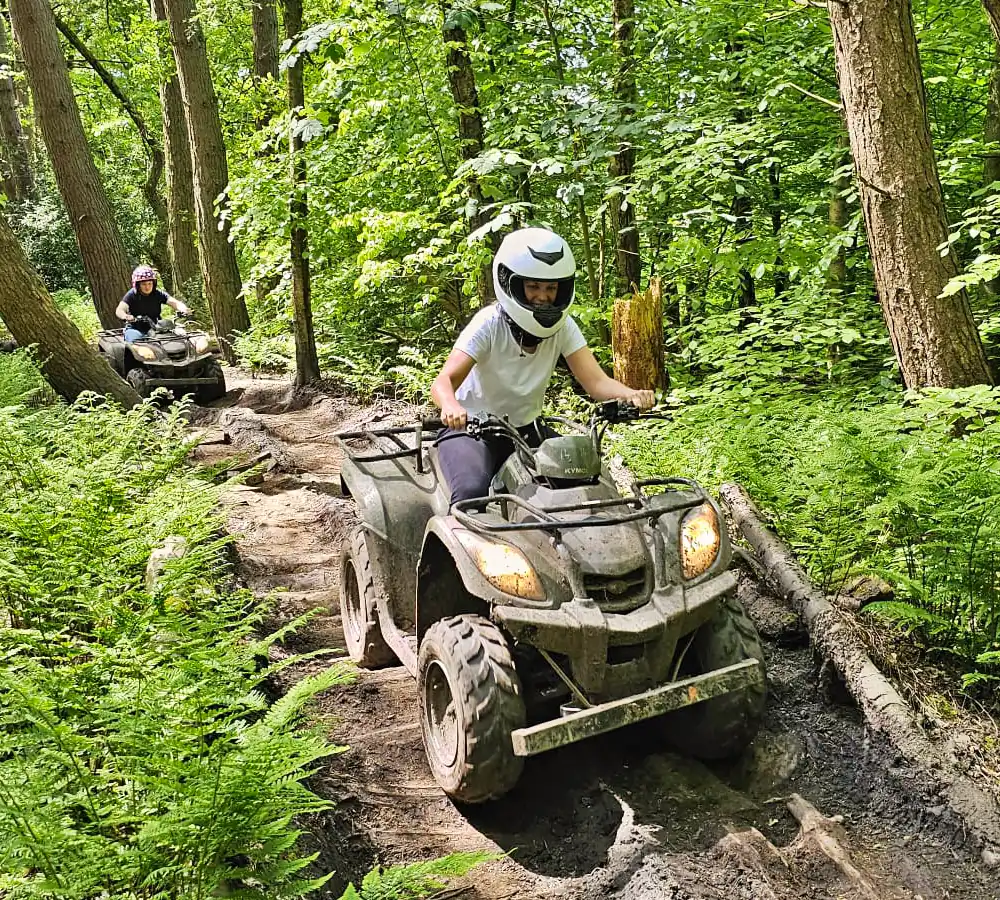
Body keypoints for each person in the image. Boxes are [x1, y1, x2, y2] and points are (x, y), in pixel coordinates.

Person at [430, 227, 655, 505]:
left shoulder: (563, 327)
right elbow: (444, 381)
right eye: (533, 286)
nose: (543, 296)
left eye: (550, 288)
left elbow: (596, 382)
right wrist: (451, 407)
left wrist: (630, 395)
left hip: (529, 431)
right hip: (474, 432)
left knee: (591, 481)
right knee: (470, 495)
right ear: (511, 283)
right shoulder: (488, 324)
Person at [116, 265, 190, 342]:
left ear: (154, 283)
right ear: (138, 285)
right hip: (135, 328)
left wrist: (183, 309)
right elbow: (120, 309)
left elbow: (174, 302)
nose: (147, 287)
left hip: (157, 328)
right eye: (144, 284)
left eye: (149, 283)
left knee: (178, 338)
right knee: (136, 342)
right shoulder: (132, 294)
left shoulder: (158, 293)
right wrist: (125, 316)